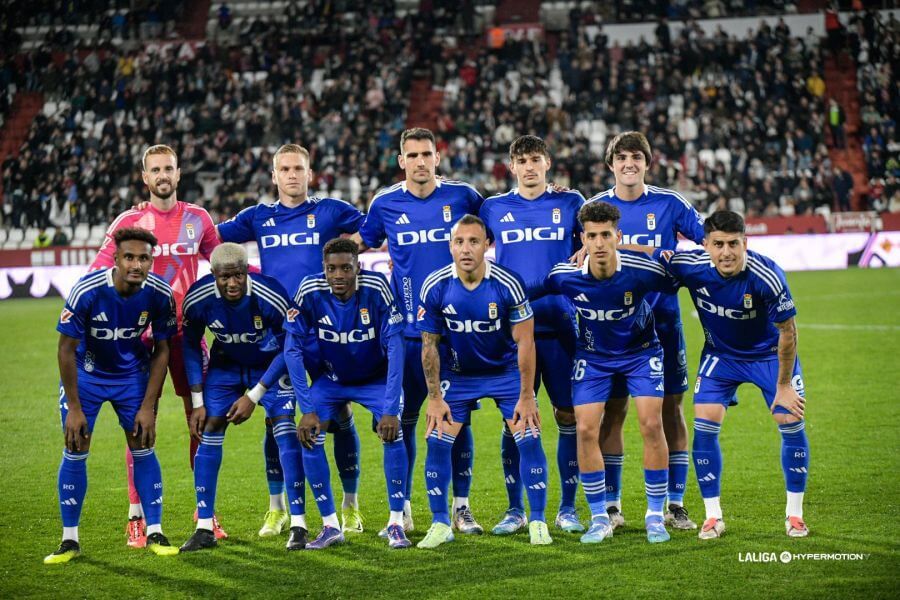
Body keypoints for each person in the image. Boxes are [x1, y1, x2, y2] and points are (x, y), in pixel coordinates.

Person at [217, 144, 367, 537]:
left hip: (329, 332)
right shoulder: (258, 217)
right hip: (281, 335)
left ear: (310, 173)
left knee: (340, 415)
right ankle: (277, 508)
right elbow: (209, 237)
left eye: (298, 168)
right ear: (274, 175)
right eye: (284, 169)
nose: (292, 175)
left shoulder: (330, 211)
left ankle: (351, 507)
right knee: (277, 420)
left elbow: (372, 228)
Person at [352, 128, 484, 536]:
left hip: (456, 333)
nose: (421, 161)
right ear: (401, 161)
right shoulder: (385, 203)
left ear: (437, 158)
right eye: (413, 155)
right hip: (407, 335)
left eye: (427, 154)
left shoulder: (463, 197)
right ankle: (404, 508)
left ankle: (461, 507)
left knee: (457, 422)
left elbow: (497, 220)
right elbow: (359, 243)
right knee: (404, 422)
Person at [91, 144, 223, 545]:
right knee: (138, 424)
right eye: (155, 170)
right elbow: (97, 273)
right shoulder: (129, 221)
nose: (163, 175)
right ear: (145, 177)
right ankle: (136, 515)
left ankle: (206, 514)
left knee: (200, 420)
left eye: (169, 168)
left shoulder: (198, 218)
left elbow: (223, 263)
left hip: (186, 336)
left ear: (178, 174)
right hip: (139, 341)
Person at [648, 210, 809, 539]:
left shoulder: (766, 275)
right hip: (721, 356)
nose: (726, 252)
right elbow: (650, 254)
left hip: (769, 356)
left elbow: (788, 332)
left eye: (733, 244)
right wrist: (604, 248)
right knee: (704, 425)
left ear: (745, 243)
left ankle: (795, 515)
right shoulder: (690, 266)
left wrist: (783, 385)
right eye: (718, 244)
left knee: (790, 419)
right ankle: (713, 516)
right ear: (705, 245)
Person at [535, 201, 678, 545]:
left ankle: (654, 515)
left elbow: (685, 277)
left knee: (651, 424)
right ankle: (600, 517)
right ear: (583, 239)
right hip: (594, 357)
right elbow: (527, 289)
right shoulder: (565, 275)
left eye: (606, 235)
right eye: (592, 236)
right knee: (586, 429)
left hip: (641, 354)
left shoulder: (641, 271)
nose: (599, 243)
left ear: (618, 236)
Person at [589, 132, 705, 531]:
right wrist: (652, 252)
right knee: (613, 412)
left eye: (636, 157)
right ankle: (612, 505)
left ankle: (675, 504)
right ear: (611, 164)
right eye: (621, 157)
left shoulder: (671, 204)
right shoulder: (595, 208)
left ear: (647, 162)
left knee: (670, 411)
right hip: (612, 332)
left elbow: (708, 241)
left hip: (664, 325)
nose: (628, 164)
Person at [416, 214, 551, 548]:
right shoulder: (435, 285)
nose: (466, 249)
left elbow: (526, 342)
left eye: (474, 241)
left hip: (505, 373)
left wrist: (527, 396)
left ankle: (537, 521)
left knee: (529, 436)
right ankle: (440, 523)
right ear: (450, 246)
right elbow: (429, 346)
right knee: (436, 439)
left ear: (487, 245)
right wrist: (434, 397)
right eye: (459, 242)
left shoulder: (507, 283)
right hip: (459, 375)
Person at [45, 227, 178, 564]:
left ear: (151, 261)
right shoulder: (87, 290)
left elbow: (163, 350)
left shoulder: (160, 294)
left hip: (131, 377)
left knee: (143, 445)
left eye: (143, 258)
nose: (136, 264)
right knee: (76, 446)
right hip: (86, 377)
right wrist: (74, 407)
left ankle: (155, 532)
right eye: (129, 257)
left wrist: (148, 405)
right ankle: (69, 540)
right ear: (115, 259)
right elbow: (65, 349)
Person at [479, 135, 586, 535]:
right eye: (522, 161)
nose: (529, 167)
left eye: (535, 159)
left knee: (568, 415)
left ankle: (567, 509)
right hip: (512, 330)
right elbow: (467, 244)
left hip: (561, 327)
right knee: (515, 418)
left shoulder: (571, 202)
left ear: (547, 163)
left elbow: (596, 237)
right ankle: (514, 509)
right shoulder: (492, 208)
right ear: (512, 166)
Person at [177, 243, 307, 552]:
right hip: (226, 367)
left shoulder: (270, 294)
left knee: (285, 430)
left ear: (247, 271)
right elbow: (191, 345)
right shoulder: (198, 298)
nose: (232, 283)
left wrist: (255, 394)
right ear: (214, 274)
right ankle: (204, 527)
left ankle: (299, 524)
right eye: (225, 277)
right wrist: (197, 402)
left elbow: (290, 346)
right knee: (209, 428)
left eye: (238, 275)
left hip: (270, 366)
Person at [286, 238, 411, 550]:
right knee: (309, 434)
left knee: (393, 432)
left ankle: (396, 522)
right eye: (331, 269)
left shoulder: (377, 287)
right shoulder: (309, 289)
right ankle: (330, 525)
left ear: (358, 267)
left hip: (375, 379)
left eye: (346, 268)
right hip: (331, 380)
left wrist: (390, 408)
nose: (338, 275)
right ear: (324, 268)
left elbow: (396, 347)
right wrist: (306, 408)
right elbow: (292, 350)